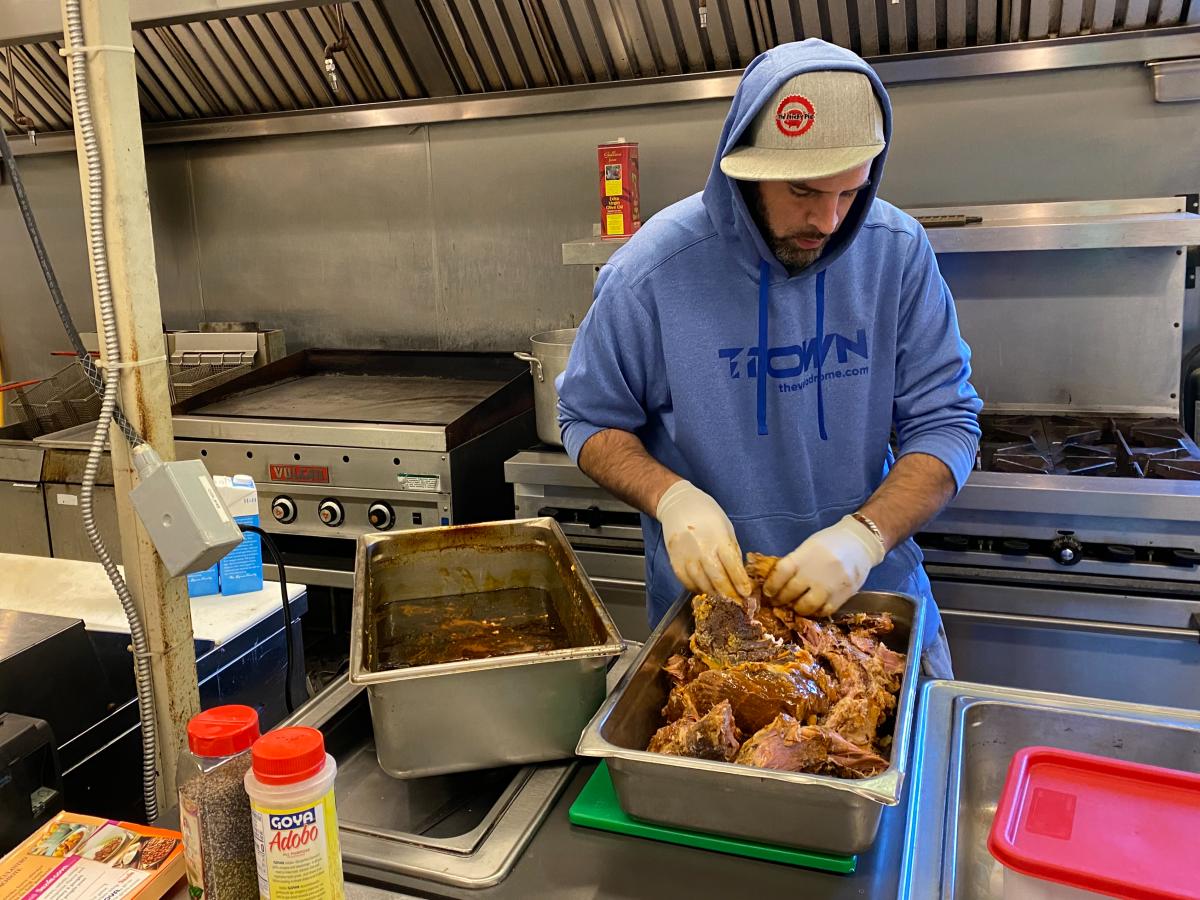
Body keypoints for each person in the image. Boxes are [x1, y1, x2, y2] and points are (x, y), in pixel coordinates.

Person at [556, 39, 981, 677]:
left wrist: (865, 537)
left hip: (872, 605)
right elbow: (589, 422)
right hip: (716, 622)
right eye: (804, 191)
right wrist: (672, 499)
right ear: (742, 171)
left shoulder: (897, 252)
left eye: (850, 193)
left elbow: (947, 423)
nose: (828, 220)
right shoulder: (651, 274)